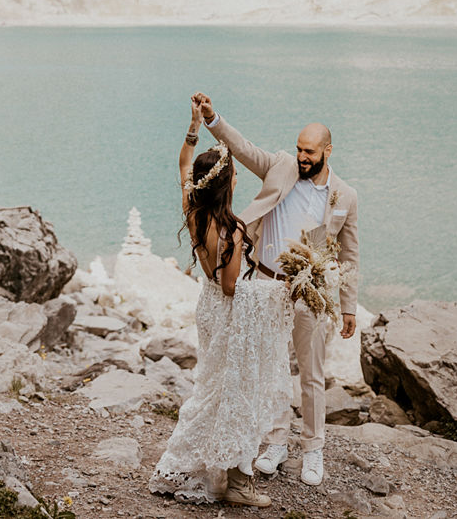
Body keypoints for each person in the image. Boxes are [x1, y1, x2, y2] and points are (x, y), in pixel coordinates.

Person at [194, 92, 359, 488]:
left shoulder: (346, 197)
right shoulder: (281, 167)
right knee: (272, 371)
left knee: (311, 374)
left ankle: (313, 449)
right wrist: (213, 118)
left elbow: (351, 254)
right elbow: (242, 147)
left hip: (311, 294)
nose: (303, 157)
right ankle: (275, 443)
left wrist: (348, 306)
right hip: (265, 284)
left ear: (327, 151)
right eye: (300, 149)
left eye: (310, 152)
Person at [149, 96, 294, 508]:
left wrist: (194, 127)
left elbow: (182, 164)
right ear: (228, 184)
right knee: (233, 392)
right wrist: (281, 291)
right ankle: (236, 483)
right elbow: (233, 287)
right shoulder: (229, 231)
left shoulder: (192, 208)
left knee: (211, 388)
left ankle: (205, 467)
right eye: (233, 177)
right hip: (228, 312)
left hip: (206, 308)